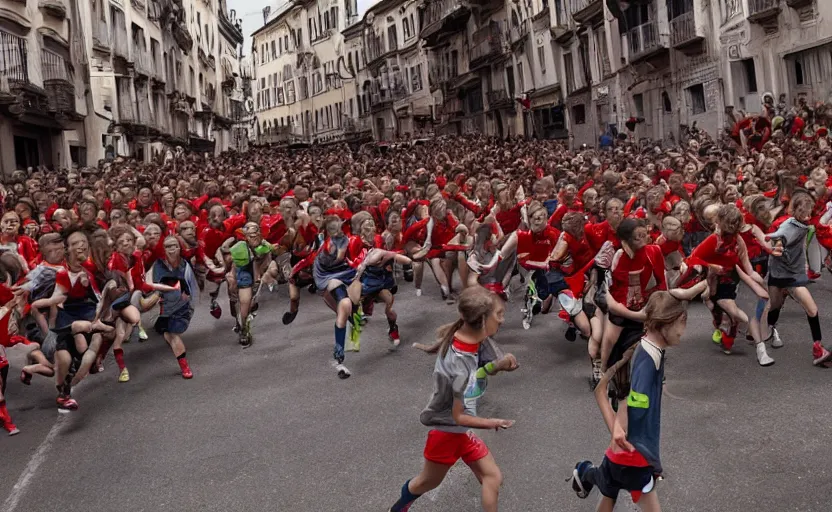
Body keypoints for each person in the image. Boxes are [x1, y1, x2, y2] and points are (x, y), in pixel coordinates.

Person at [388, 286, 518, 512]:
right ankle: (398, 508)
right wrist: (493, 422)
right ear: (483, 319)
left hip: (459, 433)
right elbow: (459, 416)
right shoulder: (460, 366)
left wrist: (502, 363)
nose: (502, 320)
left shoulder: (469, 336)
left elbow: (485, 365)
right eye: (499, 314)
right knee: (426, 482)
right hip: (447, 433)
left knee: (492, 478)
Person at [569, 291, 692, 511]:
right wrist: (620, 429)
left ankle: (584, 472)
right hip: (635, 451)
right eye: (681, 324)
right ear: (666, 323)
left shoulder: (652, 349)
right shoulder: (647, 356)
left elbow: (630, 395)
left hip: (626, 449)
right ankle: (586, 472)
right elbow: (634, 398)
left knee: (608, 487)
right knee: (627, 492)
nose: (683, 332)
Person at [150, 236, 198, 378]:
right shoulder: (157, 265)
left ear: (179, 247)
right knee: (169, 333)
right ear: (163, 249)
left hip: (181, 308)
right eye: (168, 246)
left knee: (172, 333)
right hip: (163, 306)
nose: (172, 249)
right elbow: (154, 286)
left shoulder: (186, 265)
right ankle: (184, 366)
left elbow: (191, 287)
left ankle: (184, 366)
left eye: (174, 246)